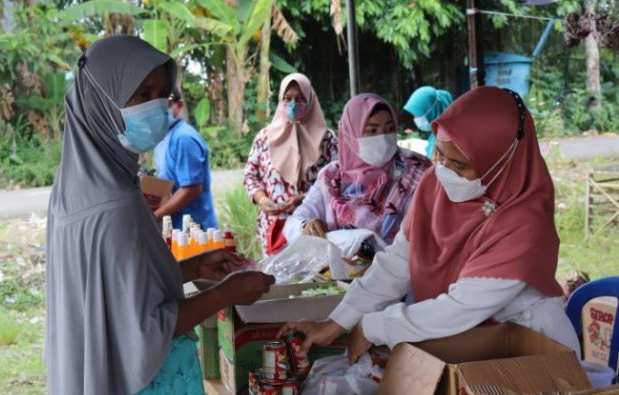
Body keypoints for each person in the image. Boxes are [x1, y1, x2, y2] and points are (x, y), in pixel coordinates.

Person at [45, 36, 274, 395]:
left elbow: (115, 289)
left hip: (96, 384)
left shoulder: (78, 185)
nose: (158, 108)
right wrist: (229, 291)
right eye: (142, 95)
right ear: (100, 99)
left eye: (162, 95)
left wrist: (189, 267)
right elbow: (147, 326)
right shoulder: (115, 205)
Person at [278, 86, 580, 363]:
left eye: (460, 166)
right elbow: (399, 262)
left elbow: (461, 306)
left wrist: (374, 327)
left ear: (501, 163)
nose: (445, 172)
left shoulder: (523, 220)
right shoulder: (434, 185)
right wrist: (336, 321)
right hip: (466, 342)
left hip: (532, 350)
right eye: (441, 157)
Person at [283, 93, 431, 247]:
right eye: (372, 131)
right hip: (339, 268)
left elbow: (426, 230)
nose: (383, 138)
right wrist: (305, 227)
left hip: (400, 267)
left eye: (390, 129)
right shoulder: (332, 177)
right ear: (350, 134)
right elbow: (293, 223)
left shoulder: (414, 169)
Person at [243, 73, 337, 256]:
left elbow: (337, 179)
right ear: (280, 101)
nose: (293, 104)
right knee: (276, 281)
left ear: (311, 100)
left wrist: (303, 198)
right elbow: (250, 175)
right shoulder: (265, 138)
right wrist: (262, 199)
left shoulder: (327, 139)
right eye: (287, 99)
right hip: (273, 229)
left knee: (313, 280)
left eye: (300, 98)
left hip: (312, 227)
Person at [153, 86, 218, 229]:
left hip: (194, 229)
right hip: (176, 227)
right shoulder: (163, 137)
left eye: (166, 106)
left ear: (179, 105)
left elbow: (191, 188)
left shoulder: (184, 138)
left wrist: (156, 216)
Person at [403, 86, 453, 159]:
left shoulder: (447, 139)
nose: (415, 119)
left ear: (432, 112)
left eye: (417, 115)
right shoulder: (436, 134)